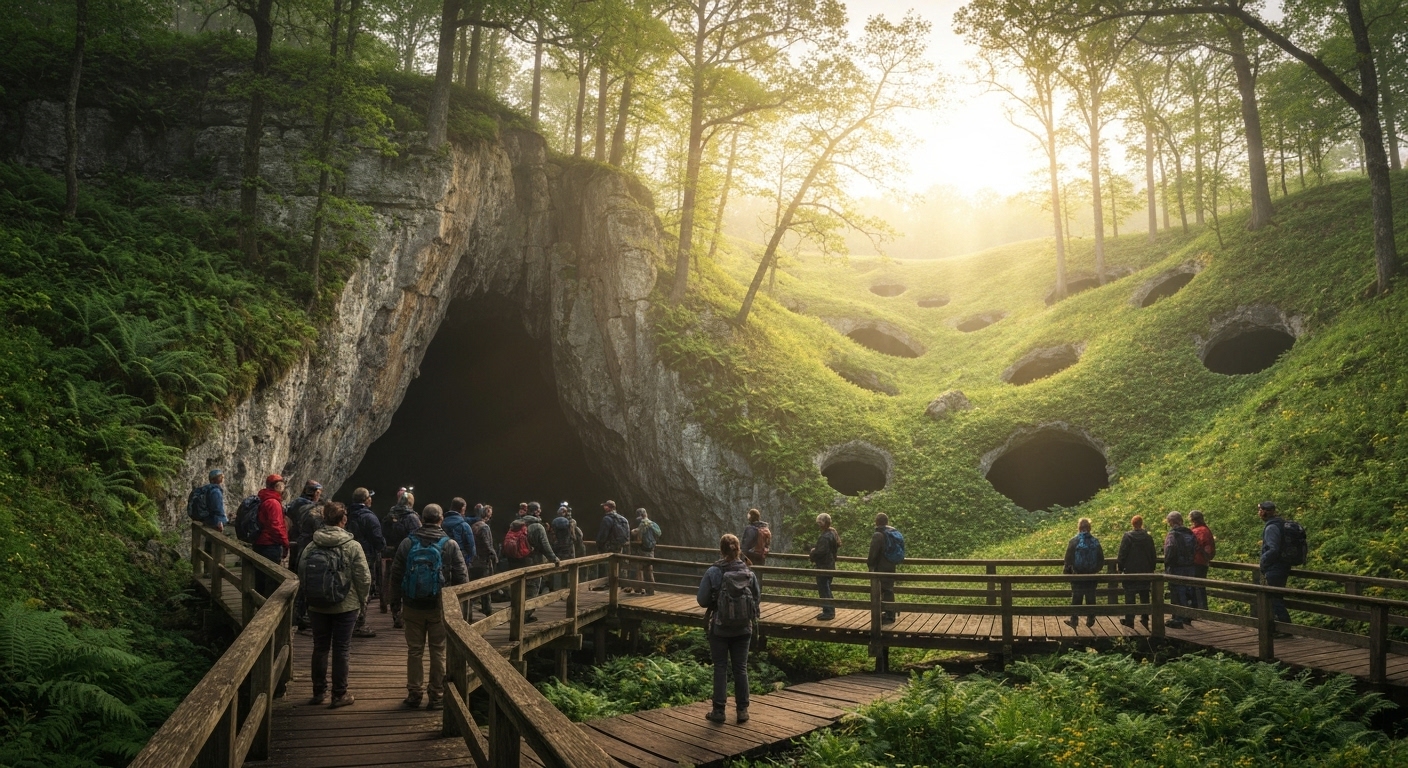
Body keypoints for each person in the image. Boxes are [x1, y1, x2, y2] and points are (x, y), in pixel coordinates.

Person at [388, 503, 469, 711]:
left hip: (412, 605)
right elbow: (461, 577)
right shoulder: (450, 544)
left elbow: (396, 574)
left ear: (422, 519)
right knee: (438, 649)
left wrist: (395, 604)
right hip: (438, 606)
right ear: (441, 519)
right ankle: (436, 695)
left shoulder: (408, 543)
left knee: (415, 650)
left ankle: (414, 693)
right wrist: (460, 609)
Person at [299, 502, 371, 708]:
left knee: (320, 647)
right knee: (341, 649)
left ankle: (318, 692)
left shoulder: (312, 545)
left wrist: (309, 596)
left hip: (317, 605)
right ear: (344, 519)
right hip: (346, 605)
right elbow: (363, 577)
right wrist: (362, 600)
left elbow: (302, 571)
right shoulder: (352, 546)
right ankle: (339, 694)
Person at [696, 533, 760, 725]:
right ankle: (742, 711)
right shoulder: (748, 572)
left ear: (721, 550)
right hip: (743, 628)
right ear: (738, 549)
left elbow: (702, 600)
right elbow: (756, 598)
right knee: (741, 668)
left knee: (720, 667)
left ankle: (719, 711)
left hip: (720, 627)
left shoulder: (713, 571)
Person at [346, 488, 384, 638]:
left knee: (350, 587)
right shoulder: (369, 517)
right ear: (366, 500)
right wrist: (381, 547)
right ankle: (359, 624)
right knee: (364, 587)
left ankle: (348, 622)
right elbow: (377, 538)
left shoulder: (347, 514)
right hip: (366, 555)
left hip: (348, 554)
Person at [382, 491, 422, 629]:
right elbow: (418, 537)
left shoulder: (390, 515)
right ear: (410, 503)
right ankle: (407, 614)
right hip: (408, 555)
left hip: (393, 554)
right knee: (410, 584)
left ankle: (396, 614)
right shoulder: (412, 517)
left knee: (395, 585)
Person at [1258, 501, 1294, 633]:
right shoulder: (1280, 524)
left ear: (1264, 512)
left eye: (1260, 510)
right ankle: (1280, 629)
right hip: (1282, 565)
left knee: (1274, 599)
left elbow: (1273, 549)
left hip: (1275, 568)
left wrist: (1263, 561)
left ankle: (1285, 629)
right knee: (1275, 598)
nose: (1259, 513)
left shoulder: (1271, 527)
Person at [1063, 518, 1105, 629]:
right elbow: (1101, 559)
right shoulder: (1095, 541)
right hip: (1091, 575)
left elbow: (1068, 559)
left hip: (1077, 574)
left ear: (1079, 528)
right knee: (1091, 596)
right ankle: (1091, 618)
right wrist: (1095, 570)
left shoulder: (1074, 541)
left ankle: (1074, 620)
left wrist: (1068, 572)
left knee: (1076, 597)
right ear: (1089, 528)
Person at [1116, 515, 1157, 629]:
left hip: (1130, 571)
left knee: (1130, 595)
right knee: (1144, 594)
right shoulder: (1148, 537)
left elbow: (1122, 554)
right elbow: (1152, 554)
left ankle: (1129, 620)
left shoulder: (1127, 537)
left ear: (1132, 524)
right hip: (1145, 571)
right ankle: (1145, 617)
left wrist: (1120, 568)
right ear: (1141, 523)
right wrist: (1151, 568)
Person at [252, 474, 290, 595]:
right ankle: (267, 603)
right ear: (278, 486)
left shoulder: (263, 498)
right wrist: (285, 543)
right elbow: (276, 527)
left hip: (259, 542)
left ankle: (258, 600)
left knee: (260, 577)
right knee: (271, 578)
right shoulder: (273, 502)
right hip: (270, 544)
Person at [293, 501, 327, 634]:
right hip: (311, 554)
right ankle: (301, 617)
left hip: (302, 552)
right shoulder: (316, 519)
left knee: (302, 586)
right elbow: (320, 535)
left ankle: (298, 616)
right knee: (307, 586)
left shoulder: (305, 516)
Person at [1163, 511, 1198, 629]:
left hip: (1176, 568)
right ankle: (1187, 616)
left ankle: (1177, 619)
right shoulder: (1190, 533)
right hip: (1190, 567)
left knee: (1177, 593)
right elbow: (1195, 548)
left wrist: (1167, 565)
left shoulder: (1173, 535)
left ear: (1171, 522)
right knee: (1188, 592)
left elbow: (1169, 551)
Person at [866, 513, 899, 623]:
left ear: (877, 522)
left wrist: (870, 564)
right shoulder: (891, 533)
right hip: (891, 565)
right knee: (888, 590)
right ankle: (889, 613)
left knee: (882, 590)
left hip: (881, 567)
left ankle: (889, 616)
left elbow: (873, 554)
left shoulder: (878, 535)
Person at [808, 513, 840, 621]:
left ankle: (829, 612)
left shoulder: (825, 537)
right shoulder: (832, 534)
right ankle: (828, 610)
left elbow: (821, 552)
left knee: (824, 589)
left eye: (819, 523)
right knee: (826, 588)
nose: (818, 525)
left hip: (824, 567)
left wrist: (812, 552)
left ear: (823, 523)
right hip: (830, 565)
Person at [467, 504, 497, 617]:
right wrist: (493, 555)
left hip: (474, 560)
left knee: (473, 587)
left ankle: (469, 612)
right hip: (483, 561)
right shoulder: (484, 527)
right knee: (485, 587)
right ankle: (487, 610)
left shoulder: (473, 526)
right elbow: (486, 543)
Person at [549, 504, 583, 591]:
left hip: (557, 548)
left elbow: (552, 535)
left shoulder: (555, 522)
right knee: (569, 568)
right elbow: (578, 535)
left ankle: (555, 589)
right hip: (569, 548)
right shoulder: (571, 522)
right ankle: (569, 588)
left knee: (557, 568)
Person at [629, 508, 660, 595]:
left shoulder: (643, 523)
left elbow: (635, 532)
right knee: (649, 569)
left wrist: (632, 531)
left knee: (639, 568)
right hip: (651, 549)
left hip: (643, 549)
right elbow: (659, 533)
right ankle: (651, 590)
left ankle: (639, 588)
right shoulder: (653, 524)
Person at [1189, 510, 1216, 610]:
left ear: (1193, 520)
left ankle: (1198, 610)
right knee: (1200, 587)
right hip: (1204, 562)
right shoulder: (1206, 530)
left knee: (1196, 587)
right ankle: (1202, 609)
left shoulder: (1197, 531)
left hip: (1196, 562)